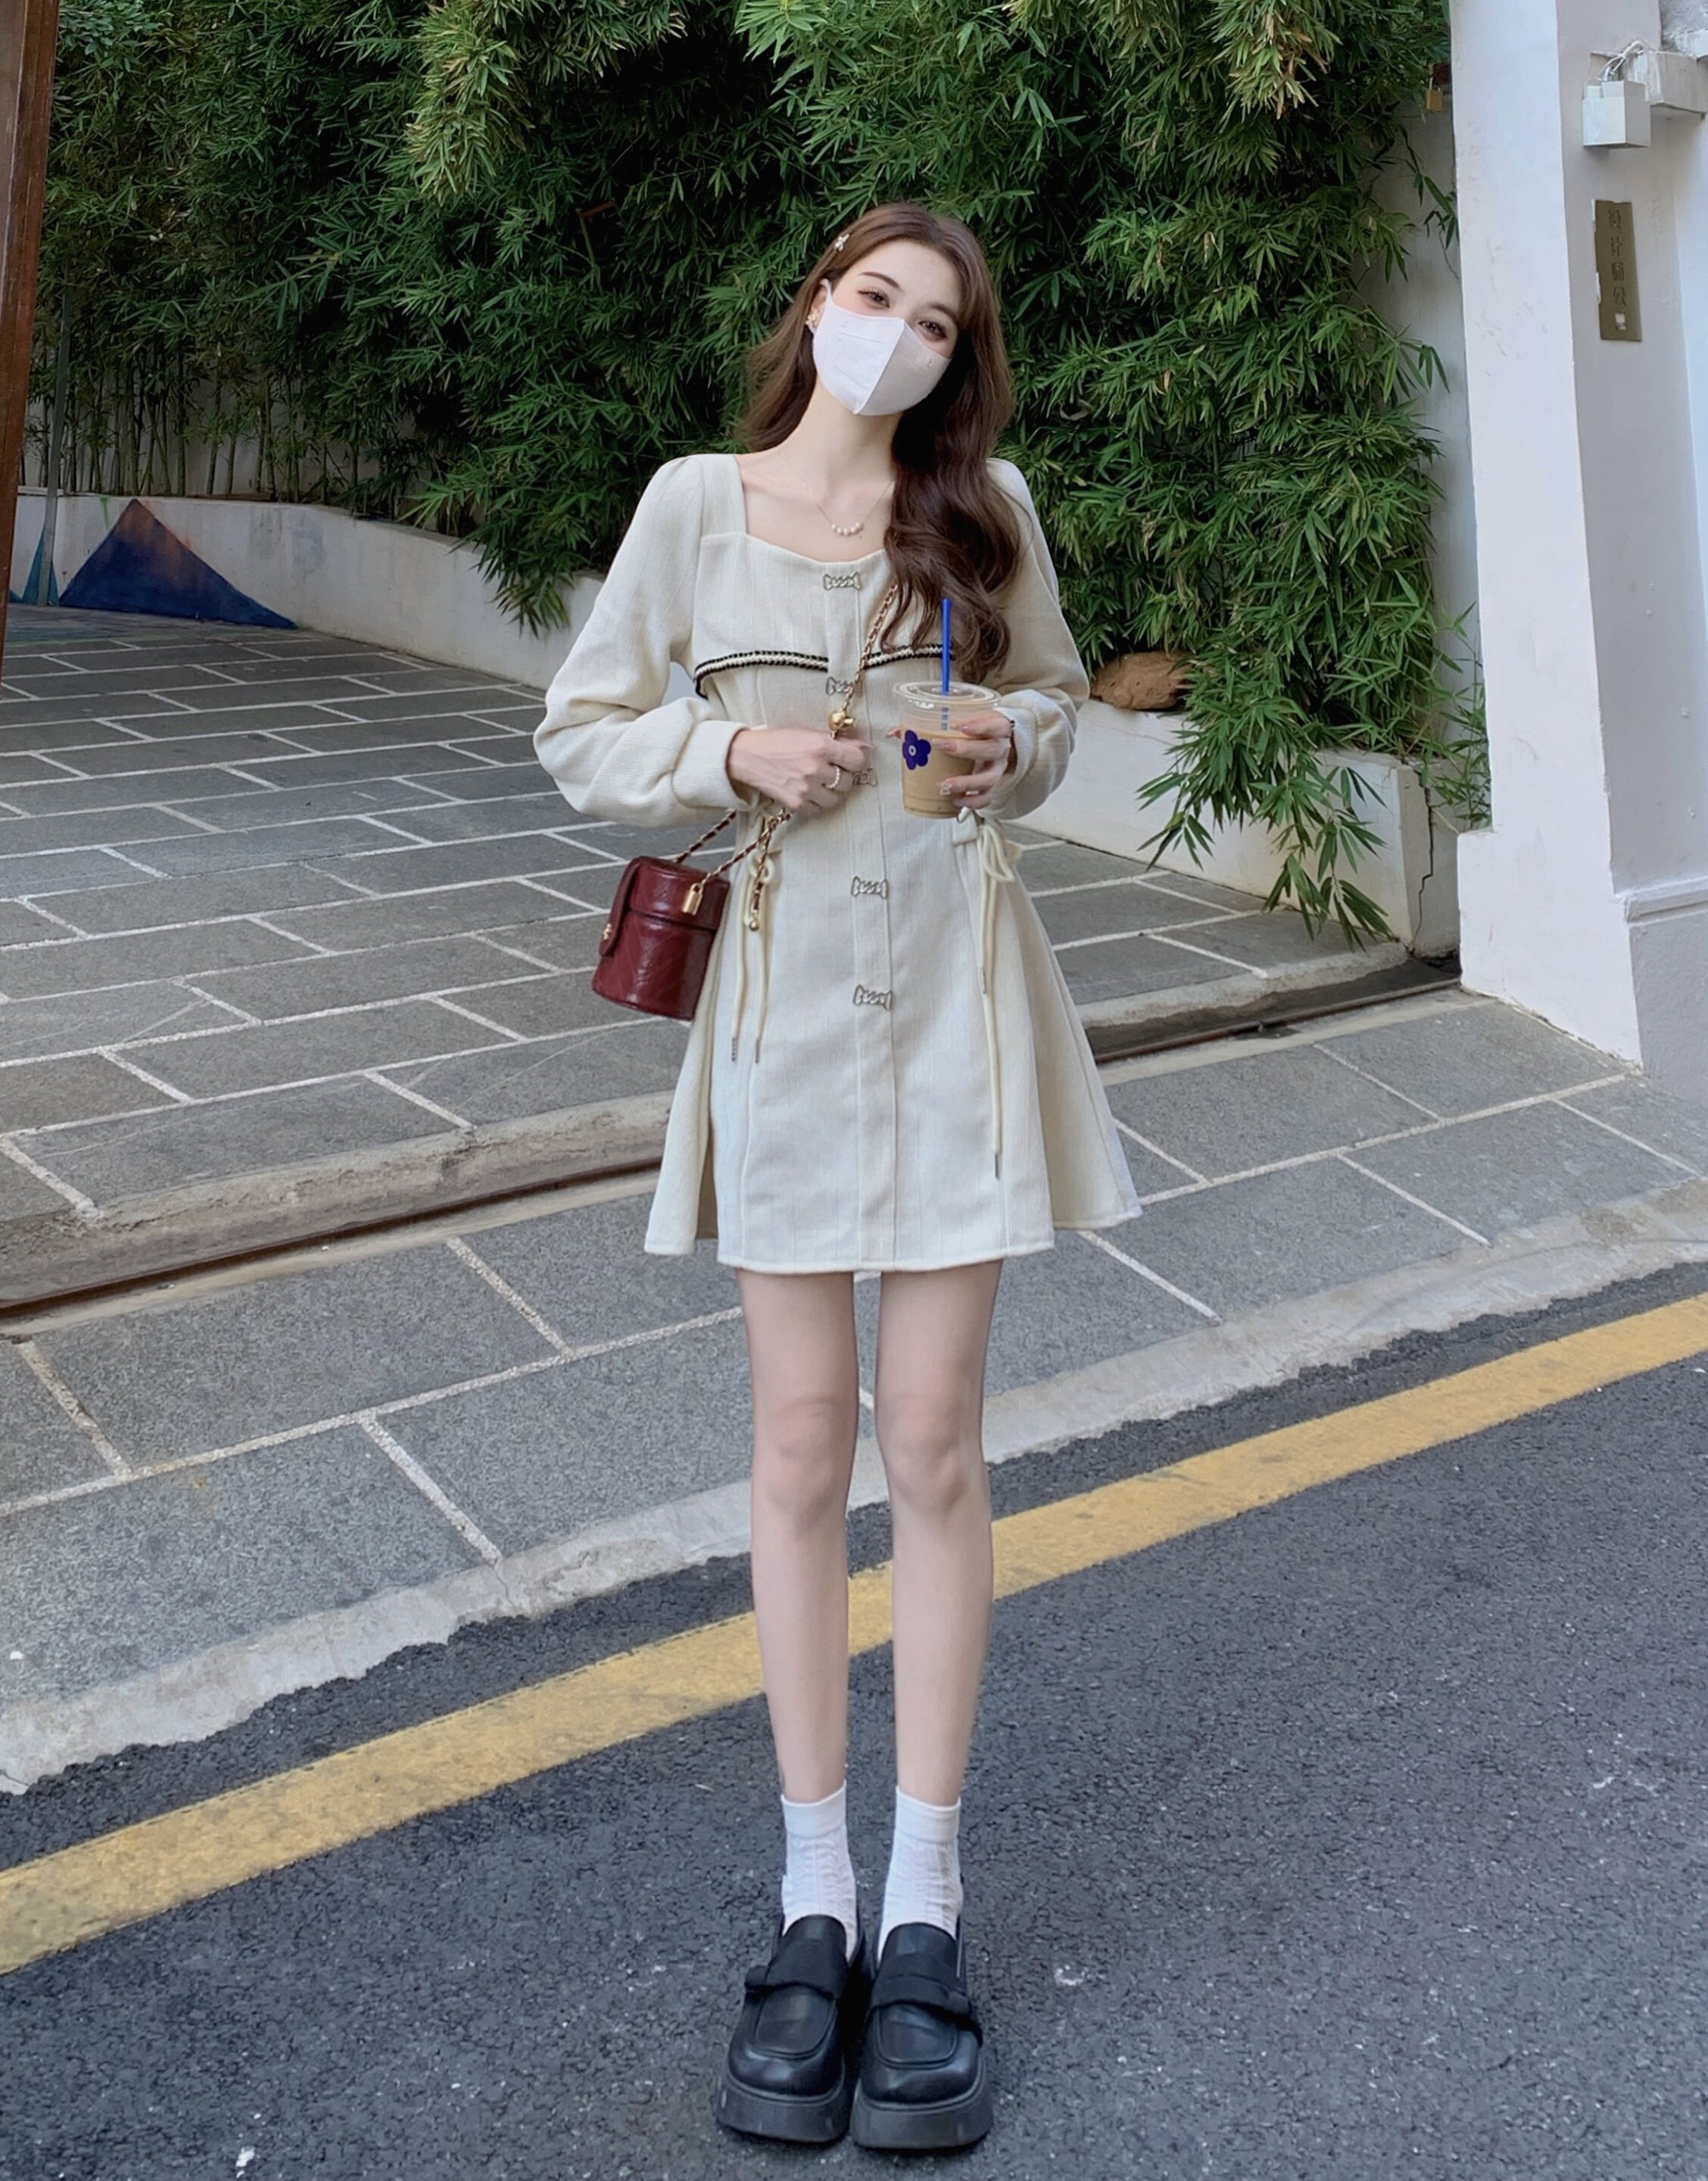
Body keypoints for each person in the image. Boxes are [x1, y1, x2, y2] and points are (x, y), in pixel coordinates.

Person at [535, 201, 1139, 2154]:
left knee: (935, 1444)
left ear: (963, 361)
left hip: (958, 1001)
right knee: (802, 1448)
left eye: (935, 323)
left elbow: (1054, 707)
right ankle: (816, 1900)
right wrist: (734, 753)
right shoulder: (694, 503)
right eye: (874, 298)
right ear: (817, 306)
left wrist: (1003, 745)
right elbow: (583, 728)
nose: (897, 336)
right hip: (785, 1016)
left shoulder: (986, 511)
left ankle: (926, 1906)